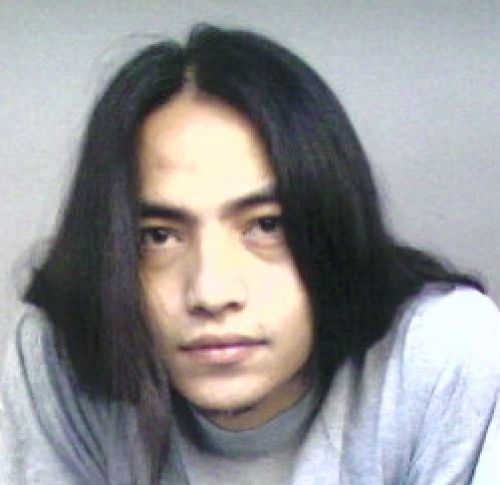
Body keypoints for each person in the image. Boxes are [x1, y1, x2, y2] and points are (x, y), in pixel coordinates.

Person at [1, 24, 499, 485]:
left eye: (267, 226)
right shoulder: (59, 356)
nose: (211, 292)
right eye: (159, 236)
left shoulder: (439, 352)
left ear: (334, 226)